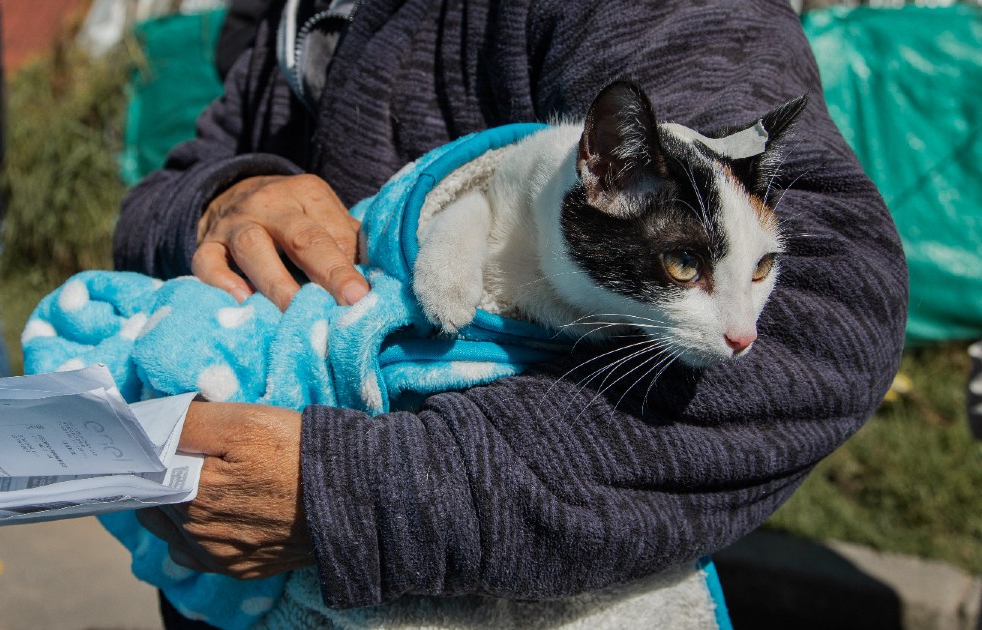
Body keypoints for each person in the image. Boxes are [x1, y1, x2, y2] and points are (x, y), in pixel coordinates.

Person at [117, 0, 907, 625]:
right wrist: (221, 199)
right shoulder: (294, 13)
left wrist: (354, 494)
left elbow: (834, 312)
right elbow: (158, 196)